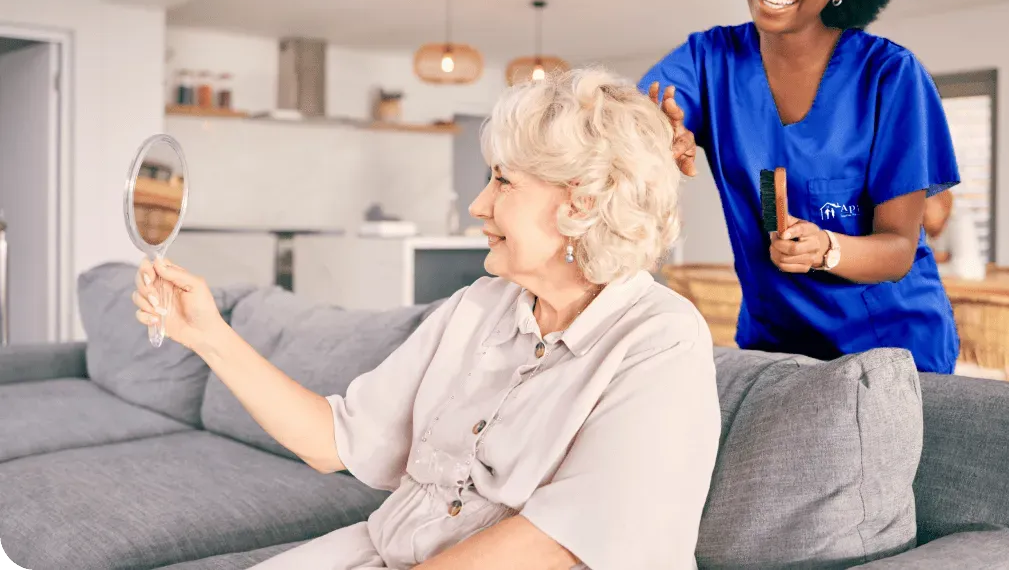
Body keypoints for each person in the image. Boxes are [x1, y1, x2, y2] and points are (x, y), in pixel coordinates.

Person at [132, 68, 721, 569]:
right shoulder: (479, 307)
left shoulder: (661, 338)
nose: (478, 206)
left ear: (581, 203)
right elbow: (333, 443)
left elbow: (562, 543)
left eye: (502, 181)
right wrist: (207, 333)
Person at [640, 0, 961, 373]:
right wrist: (660, 130)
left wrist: (827, 248)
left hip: (891, 350)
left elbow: (897, 250)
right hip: (776, 347)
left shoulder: (890, 77)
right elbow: (640, 112)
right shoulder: (709, 59)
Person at [923, 189, 985, 280]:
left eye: (925, 206)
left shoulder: (961, 222)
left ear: (942, 204)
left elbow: (964, 271)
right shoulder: (924, 230)